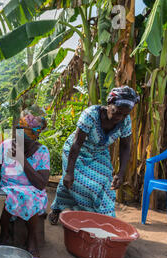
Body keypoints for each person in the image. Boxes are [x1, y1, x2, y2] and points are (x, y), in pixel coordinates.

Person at [49, 86, 140, 225]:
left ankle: (104, 220)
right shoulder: (91, 114)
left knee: (105, 185)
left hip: (99, 154)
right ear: (110, 103)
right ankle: (58, 208)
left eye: (124, 114)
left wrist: (121, 173)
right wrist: (69, 172)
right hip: (76, 152)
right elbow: (76, 144)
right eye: (117, 112)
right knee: (77, 182)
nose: (119, 117)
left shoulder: (125, 121)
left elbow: (126, 146)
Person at [0, 115, 49, 258]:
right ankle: (4, 233)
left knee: (29, 197)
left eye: (26, 140)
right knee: (2, 196)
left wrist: (21, 159)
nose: (20, 142)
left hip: (33, 190)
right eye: (19, 136)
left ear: (36, 136)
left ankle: (31, 237)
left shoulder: (42, 151)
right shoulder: (5, 145)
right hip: (8, 187)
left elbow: (41, 183)